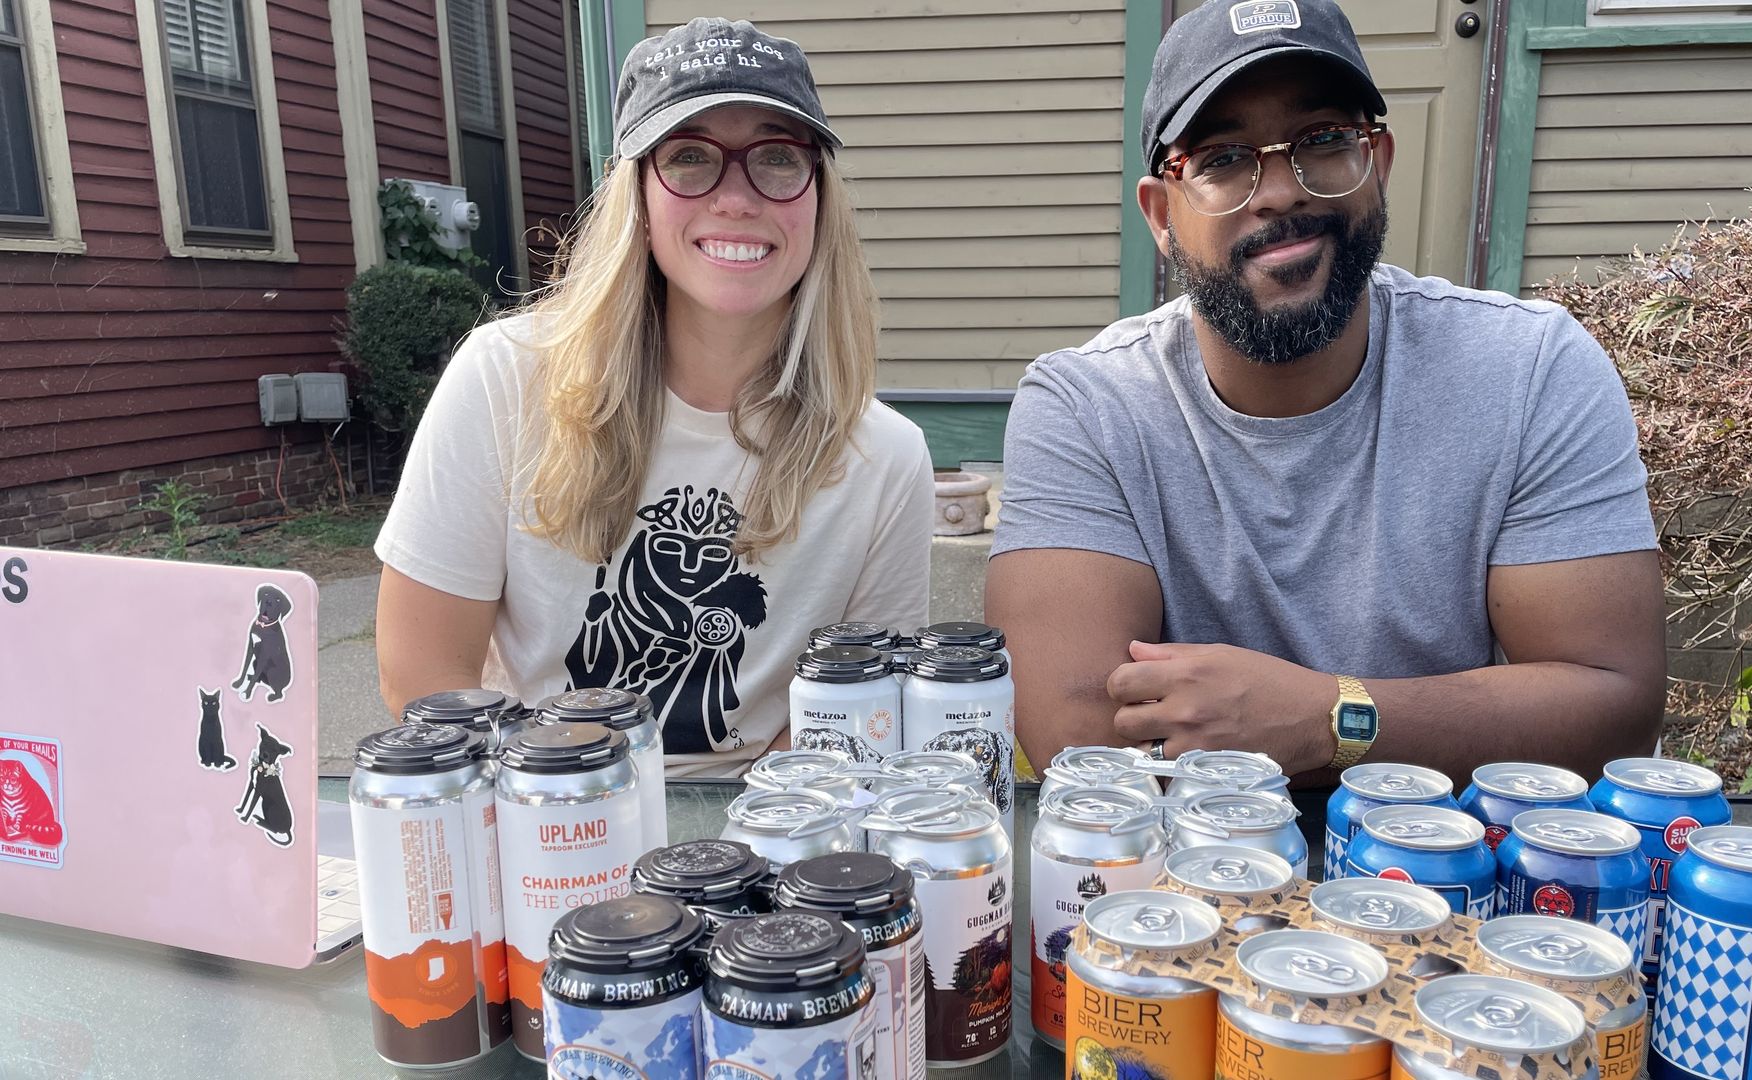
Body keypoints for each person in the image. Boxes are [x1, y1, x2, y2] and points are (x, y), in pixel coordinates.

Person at [986, 0, 1665, 787]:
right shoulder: (1087, 406)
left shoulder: (1530, 367)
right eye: (1222, 159)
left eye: (1323, 141)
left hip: (1445, 873)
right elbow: (1083, 737)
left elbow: (1610, 707)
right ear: (1160, 214)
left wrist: (1326, 717)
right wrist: (1447, 723)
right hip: (1177, 887)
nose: (1278, 191)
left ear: (1377, 160)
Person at [374, 18, 932, 776]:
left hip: (761, 846)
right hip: (543, 814)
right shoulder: (503, 379)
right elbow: (422, 674)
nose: (736, 198)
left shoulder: (885, 457)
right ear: (633, 191)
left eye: (777, 157)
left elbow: (860, 712)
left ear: (819, 199)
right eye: (690, 157)